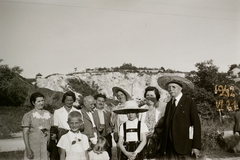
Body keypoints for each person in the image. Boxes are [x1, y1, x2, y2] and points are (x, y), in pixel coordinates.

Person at [157, 75, 201, 159]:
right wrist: (164, 147)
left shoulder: (189, 102)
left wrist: (196, 146)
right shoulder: (169, 104)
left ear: (181, 88)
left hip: (185, 147)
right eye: (169, 87)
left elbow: (196, 125)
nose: (171, 89)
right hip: (170, 148)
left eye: (174, 87)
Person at [22, 92, 52, 160]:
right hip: (33, 147)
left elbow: (51, 130)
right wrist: (28, 149)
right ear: (33, 102)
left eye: (42, 100)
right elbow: (25, 133)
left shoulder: (48, 114)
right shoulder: (28, 115)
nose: (41, 103)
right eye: (38, 101)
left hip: (45, 148)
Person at [111, 86, 131, 159]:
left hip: (129, 134)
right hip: (118, 134)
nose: (120, 96)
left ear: (125, 95)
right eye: (118, 95)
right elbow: (112, 123)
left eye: (121, 94)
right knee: (120, 154)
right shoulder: (115, 108)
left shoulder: (130, 106)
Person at [93, 93, 113, 159]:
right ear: (95, 101)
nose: (101, 102)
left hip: (106, 137)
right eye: (99, 100)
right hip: (96, 137)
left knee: (107, 155)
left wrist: (110, 128)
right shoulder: (91, 112)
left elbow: (112, 125)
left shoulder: (108, 113)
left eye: (102, 101)